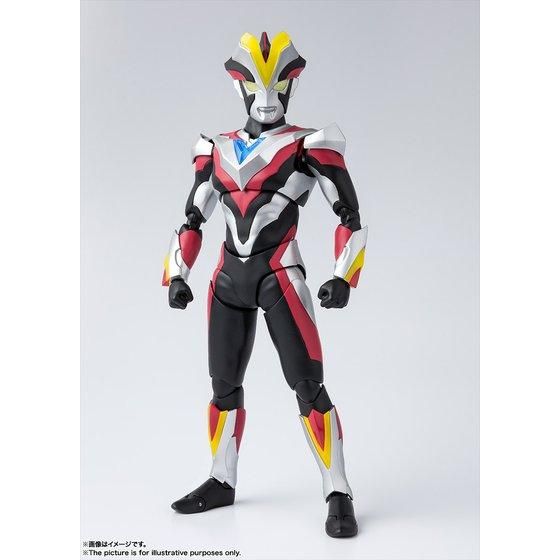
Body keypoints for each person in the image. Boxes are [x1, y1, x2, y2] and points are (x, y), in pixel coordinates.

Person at [163, 31, 367, 538]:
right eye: (257, 86)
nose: (268, 98)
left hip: (280, 275)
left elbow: (349, 215)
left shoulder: (308, 144)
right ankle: (221, 479)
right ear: (240, 86)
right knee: (223, 386)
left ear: (292, 83)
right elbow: (193, 218)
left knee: (308, 386)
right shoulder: (216, 148)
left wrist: (343, 275)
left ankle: (338, 490)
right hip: (228, 278)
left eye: (279, 85)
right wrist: (178, 273)